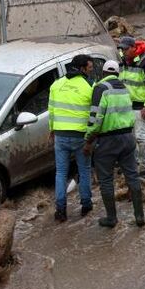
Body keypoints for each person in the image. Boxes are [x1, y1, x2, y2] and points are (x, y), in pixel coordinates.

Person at [84, 60, 144, 228]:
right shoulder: (124, 89)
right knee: (132, 176)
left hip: (108, 141)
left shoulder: (100, 88)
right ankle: (139, 216)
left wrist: (88, 140)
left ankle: (111, 218)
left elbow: (95, 118)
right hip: (128, 138)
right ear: (117, 74)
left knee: (106, 180)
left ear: (103, 73)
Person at [48, 54, 96, 222]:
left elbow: (51, 111)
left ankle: (60, 210)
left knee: (61, 172)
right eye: (90, 68)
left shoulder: (56, 85)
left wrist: (52, 130)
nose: (91, 71)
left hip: (60, 135)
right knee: (84, 170)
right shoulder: (90, 86)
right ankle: (86, 205)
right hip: (81, 136)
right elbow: (94, 113)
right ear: (82, 68)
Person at [117, 35, 145, 178]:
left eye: (125, 49)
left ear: (133, 48)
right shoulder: (123, 61)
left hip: (140, 107)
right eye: (121, 50)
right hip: (126, 107)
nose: (123, 52)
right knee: (129, 138)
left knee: (141, 138)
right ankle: (133, 165)